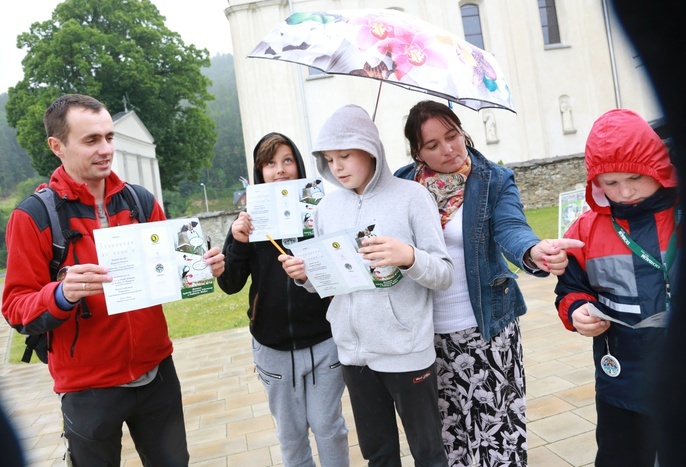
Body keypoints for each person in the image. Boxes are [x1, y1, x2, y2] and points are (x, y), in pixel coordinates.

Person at [1, 93, 225, 466]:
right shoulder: (33, 217)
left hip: (156, 373)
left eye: (109, 137)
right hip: (88, 389)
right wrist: (61, 294)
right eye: (91, 140)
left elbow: (172, 268)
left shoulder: (139, 201)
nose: (105, 149)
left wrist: (204, 263)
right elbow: (15, 308)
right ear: (57, 146)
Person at [393, 100, 581, 467]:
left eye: (452, 136)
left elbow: (511, 229)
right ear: (417, 151)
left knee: (499, 441)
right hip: (427, 338)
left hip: (488, 330)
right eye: (432, 145)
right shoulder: (401, 185)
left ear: (463, 132)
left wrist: (533, 251)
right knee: (449, 444)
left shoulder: (494, 179)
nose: (447, 149)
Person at [281, 104, 454, 466]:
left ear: (371, 149)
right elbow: (328, 283)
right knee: (378, 456)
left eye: (345, 155)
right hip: (353, 356)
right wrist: (305, 276)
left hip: (407, 352)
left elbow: (443, 273)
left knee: (429, 454)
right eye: (329, 158)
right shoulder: (325, 210)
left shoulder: (412, 196)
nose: (337, 167)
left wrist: (407, 256)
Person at [214, 132, 349, 466]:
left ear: (299, 165)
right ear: (260, 172)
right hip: (272, 349)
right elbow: (230, 283)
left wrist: (308, 271)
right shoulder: (249, 221)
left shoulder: (321, 211)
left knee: (328, 426)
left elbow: (342, 272)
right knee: (290, 436)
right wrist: (237, 241)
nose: (280, 170)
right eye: (270, 163)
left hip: (324, 342)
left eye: (287, 160)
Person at [554, 108, 678, 467]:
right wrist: (577, 311)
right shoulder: (586, 229)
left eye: (635, 177)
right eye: (610, 183)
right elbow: (571, 289)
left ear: (658, 165)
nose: (624, 192)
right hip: (622, 383)